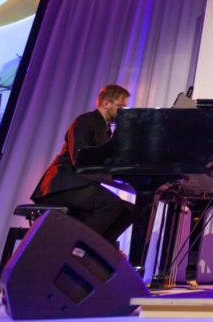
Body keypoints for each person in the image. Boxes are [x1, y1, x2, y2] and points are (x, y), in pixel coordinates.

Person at [31, 84, 136, 250]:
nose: (123, 111)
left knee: (130, 210)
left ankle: (101, 248)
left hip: (80, 184)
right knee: (110, 204)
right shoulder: (85, 121)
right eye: (120, 106)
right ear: (106, 103)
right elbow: (79, 160)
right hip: (62, 184)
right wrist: (113, 176)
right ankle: (77, 248)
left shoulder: (106, 129)